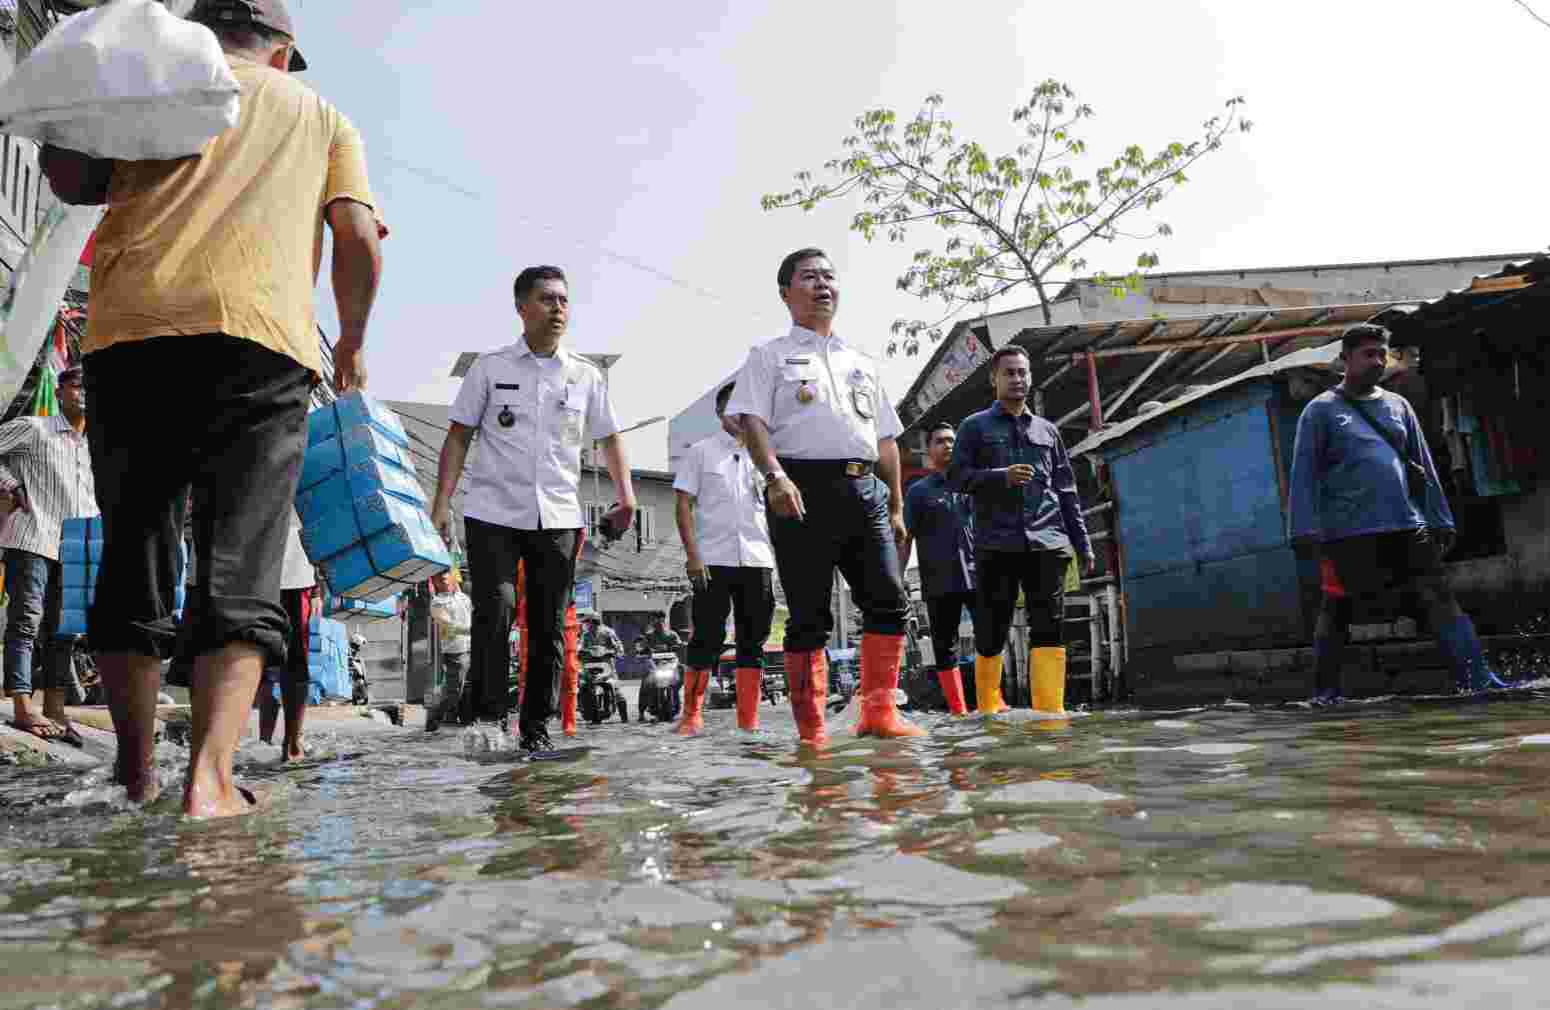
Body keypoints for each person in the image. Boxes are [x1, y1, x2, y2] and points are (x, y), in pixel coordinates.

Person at [43, 0, 383, 816]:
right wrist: (350, 343)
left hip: (132, 335)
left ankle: (133, 774)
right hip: (260, 342)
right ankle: (211, 781)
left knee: (135, 552)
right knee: (241, 560)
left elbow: (71, 179)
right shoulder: (323, 115)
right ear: (282, 49)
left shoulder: (154, 84)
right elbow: (359, 240)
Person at [431, 265, 636, 754]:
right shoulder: (490, 368)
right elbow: (458, 436)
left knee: (548, 624)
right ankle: (487, 719)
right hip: (492, 512)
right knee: (495, 611)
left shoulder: (584, 375)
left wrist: (626, 496)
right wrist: (442, 503)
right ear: (522, 308)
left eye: (564, 300)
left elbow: (609, 438)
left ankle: (537, 729)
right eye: (547, 299)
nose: (558, 308)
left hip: (559, 518)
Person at [726, 247, 922, 744]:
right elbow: (753, 421)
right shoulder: (767, 356)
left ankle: (880, 712)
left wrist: (896, 505)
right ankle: (812, 730)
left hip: (865, 490)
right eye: (809, 277)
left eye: (829, 276)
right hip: (800, 490)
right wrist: (775, 478)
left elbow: (885, 440)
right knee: (809, 614)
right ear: (786, 293)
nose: (822, 285)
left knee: (888, 600)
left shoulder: (862, 363)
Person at [1288, 323, 1501, 702]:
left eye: (1381, 354)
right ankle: (1325, 693)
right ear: (1345, 360)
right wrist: (1303, 532)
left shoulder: (1398, 405)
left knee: (1439, 597)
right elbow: (1303, 474)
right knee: (1338, 609)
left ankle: (1478, 680)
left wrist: (1439, 517)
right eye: (1368, 354)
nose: (1377, 361)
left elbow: (1423, 465)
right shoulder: (1319, 411)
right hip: (1346, 532)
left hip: (1407, 524)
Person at [950, 346, 1094, 716]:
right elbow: (956, 478)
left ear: (1030, 377)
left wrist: (1082, 543)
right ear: (994, 380)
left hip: (1048, 543)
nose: (1017, 379)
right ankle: (988, 712)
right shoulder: (974, 427)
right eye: (1009, 373)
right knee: (991, 630)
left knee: (1049, 626)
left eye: (1023, 372)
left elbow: (1066, 490)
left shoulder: (1048, 431)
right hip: (996, 545)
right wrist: (1000, 477)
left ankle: (1050, 714)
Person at [0, 364, 97, 746]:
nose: (84, 392)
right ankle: (24, 707)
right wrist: (10, 483)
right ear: (59, 392)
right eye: (76, 385)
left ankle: (56, 709)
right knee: (25, 622)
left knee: (65, 631)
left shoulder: (93, 444)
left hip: (76, 544)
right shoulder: (35, 428)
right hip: (34, 536)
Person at [673, 381, 777, 734]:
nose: (741, 415)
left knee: (753, 640)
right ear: (719, 414)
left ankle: (749, 720)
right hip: (713, 558)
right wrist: (693, 556)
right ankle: (691, 716)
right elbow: (683, 504)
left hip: (757, 558)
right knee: (706, 637)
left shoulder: (766, 456)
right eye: (733, 409)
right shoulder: (700, 452)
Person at [899, 421, 976, 715]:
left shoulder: (972, 483)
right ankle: (958, 709)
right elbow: (906, 538)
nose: (948, 445)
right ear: (929, 450)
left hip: (979, 574)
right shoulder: (918, 492)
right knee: (945, 646)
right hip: (939, 580)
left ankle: (992, 703)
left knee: (991, 639)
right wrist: (899, 577)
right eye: (941, 441)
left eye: (952, 440)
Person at [258, 514, 317, 760]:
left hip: (294, 567)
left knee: (294, 660)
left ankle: (292, 742)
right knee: (253, 658)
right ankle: (264, 738)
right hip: (248, 565)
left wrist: (318, 587)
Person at [425, 569, 471, 732]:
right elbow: (448, 626)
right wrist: (472, 630)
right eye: (438, 575)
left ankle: (463, 722)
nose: (443, 577)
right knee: (454, 691)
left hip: (471, 648)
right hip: (455, 652)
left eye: (446, 573)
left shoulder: (464, 598)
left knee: (467, 689)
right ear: (435, 581)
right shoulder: (436, 603)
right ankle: (432, 722)